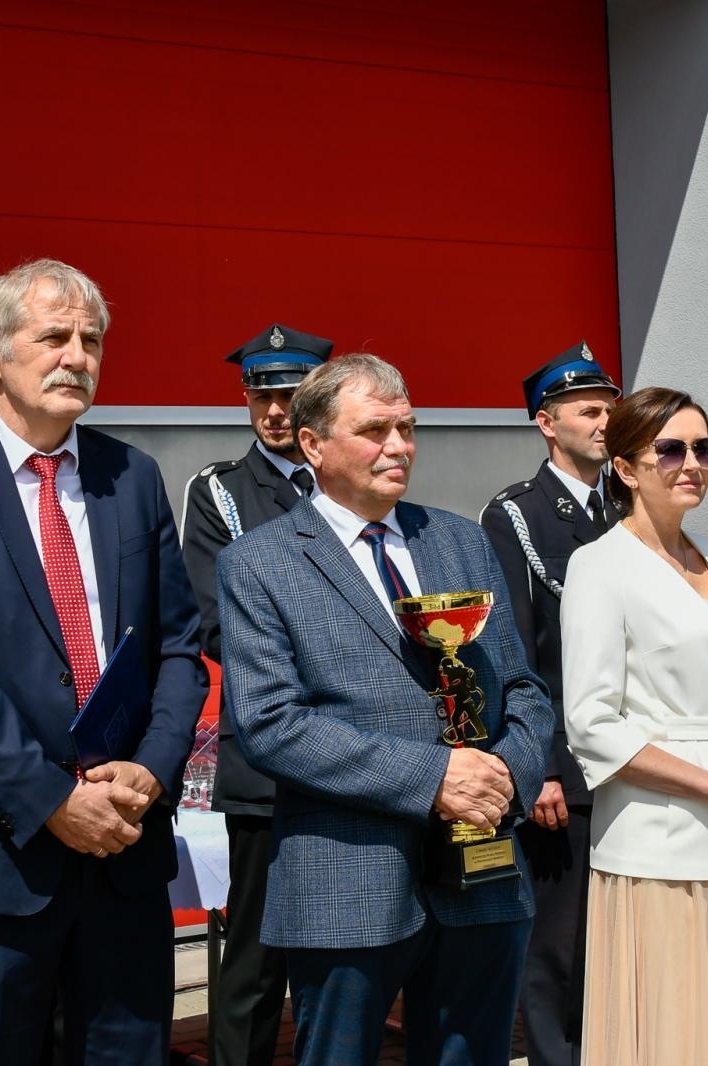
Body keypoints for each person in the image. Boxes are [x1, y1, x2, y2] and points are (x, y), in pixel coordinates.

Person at [0, 259, 208, 1065]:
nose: (76, 357)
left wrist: (152, 769)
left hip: (124, 843)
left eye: (91, 340)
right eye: (54, 337)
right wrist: (51, 798)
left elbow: (177, 645)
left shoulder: (132, 476)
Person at [215, 354, 551, 1066]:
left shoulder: (459, 540)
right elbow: (271, 724)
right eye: (375, 430)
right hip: (348, 880)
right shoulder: (260, 562)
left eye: (407, 428)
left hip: (484, 868)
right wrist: (435, 779)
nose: (399, 446)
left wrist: (504, 778)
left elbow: (522, 688)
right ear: (313, 444)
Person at [563, 386, 708, 1065]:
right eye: (670, 450)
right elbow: (591, 723)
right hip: (660, 846)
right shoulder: (599, 565)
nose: (692, 463)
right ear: (626, 467)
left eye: (704, 448)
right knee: (676, 1034)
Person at [180, 323, 332, 1066]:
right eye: (260, 395)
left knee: (341, 955)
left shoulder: (349, 478)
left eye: (289, 396)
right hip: (268, 760)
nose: (274, 411)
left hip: (361, 753)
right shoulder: (221, 492)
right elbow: (216, 623)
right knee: (255, 960)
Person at [478, 342, 620, 1066]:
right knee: (559, 948)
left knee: (622, 938)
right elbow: (513, 655)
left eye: (609, 409)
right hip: (568, 768)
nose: (605, 422)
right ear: (547, 422)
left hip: (636, 758)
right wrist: (540, 770)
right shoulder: (517, 515)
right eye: (588, 411)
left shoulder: (631, 504)